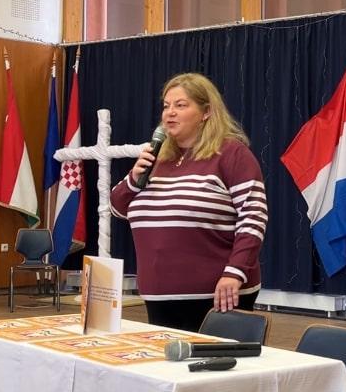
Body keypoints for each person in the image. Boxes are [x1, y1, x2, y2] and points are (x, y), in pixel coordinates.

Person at [110, 73, 268, 332]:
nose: (170, 113)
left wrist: (235, 271)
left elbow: (253, 217)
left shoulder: (232, 154)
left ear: (206, 112)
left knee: (211, 359)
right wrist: (133, 179)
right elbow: (118, 208)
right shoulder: (157, 158)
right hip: (158, 294)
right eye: (166, 106)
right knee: (168, 358)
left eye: (181, 105)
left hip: (217, 293)